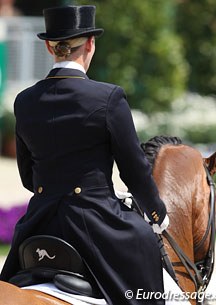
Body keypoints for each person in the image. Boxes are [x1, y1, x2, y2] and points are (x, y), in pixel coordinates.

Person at [0, 5, 169, 305]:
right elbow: (134, 171)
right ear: (90, 44)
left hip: (38, 224)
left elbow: (29, 177)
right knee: (145, 243)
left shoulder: (24, 101)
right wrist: (156, 214)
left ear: (49, 47)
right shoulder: (108, 98)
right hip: (95, 222)